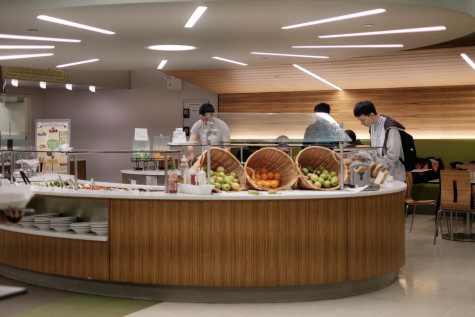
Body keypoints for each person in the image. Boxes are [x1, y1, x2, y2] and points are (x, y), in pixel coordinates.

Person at [353, 101, 406, 181]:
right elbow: (376, 151)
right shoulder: (373, 127)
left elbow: (393, 157)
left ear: (371, 115)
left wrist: (371, 158)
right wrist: (364, 154)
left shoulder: (390, 128)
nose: (361, 123)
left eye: (363, 120)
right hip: (381, 174)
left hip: (394, 176)